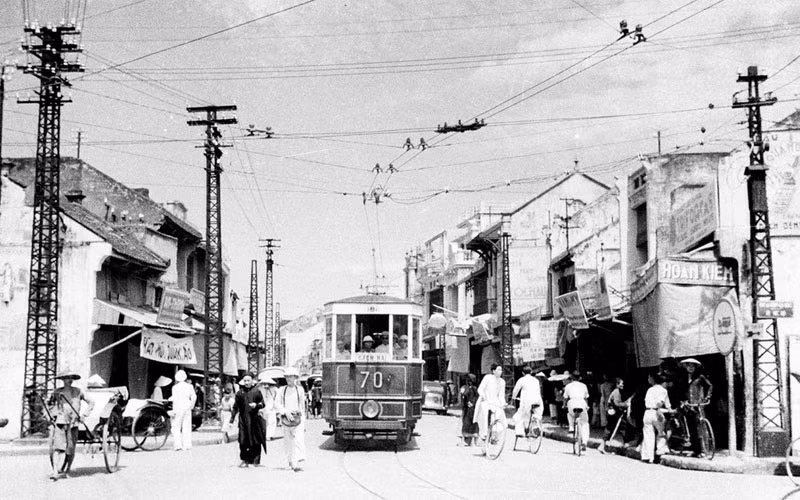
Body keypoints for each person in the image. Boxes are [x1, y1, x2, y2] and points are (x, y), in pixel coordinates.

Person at [48, 371, 95, 480]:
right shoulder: (57, 392)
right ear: (62, 380)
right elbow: (48, 404)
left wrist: (84, 414)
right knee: (58, 448)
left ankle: (67, 470)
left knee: (70, 448)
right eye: (66, 378)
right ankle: (55, 471)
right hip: (60, 422)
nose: (69, 380)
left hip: (73, 423)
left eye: (71, 378)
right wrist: (51, 414)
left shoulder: (78, 392)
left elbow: (91, 402)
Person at [679, 358, 714, 458]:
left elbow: (710, 386)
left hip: (698, 404)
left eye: (692, 366)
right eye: (688, 366)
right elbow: (682, 390)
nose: (690, 368)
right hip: (688, 406)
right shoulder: (684, 377)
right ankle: (695, 450)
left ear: (695, 367)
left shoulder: (700, 377)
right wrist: (683, 401)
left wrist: (707, 397)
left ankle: (704, 449)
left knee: (701, 428)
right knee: (692, 429)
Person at [230, 373, 267, 467]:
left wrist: (257, 405)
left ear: (252, 381)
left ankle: (255, 461)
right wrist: (231, 420)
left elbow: (263, 404)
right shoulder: (239, 393)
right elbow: (235, 407)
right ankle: (244, 459)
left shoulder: (257, 391)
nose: (246, 383)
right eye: (245, 381)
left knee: (255, 440)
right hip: (243, 420)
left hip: (254, 420)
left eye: (248, 380)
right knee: (242, 441)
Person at [275, 367, 307, 471]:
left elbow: (302, 406)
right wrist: (285, 411)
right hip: (286, 418)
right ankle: (289, 462)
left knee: (298, 440)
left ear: (295, 378)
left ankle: (296, 463)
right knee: (288, 441)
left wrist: (304, 420)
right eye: (287, 377)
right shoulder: (281, 390)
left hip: (297, 417)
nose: (289, 379)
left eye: (291, 377)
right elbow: (277, 404)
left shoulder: (300, 390)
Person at [474, 364, 507, 455]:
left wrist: (503, 403)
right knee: (484, 419)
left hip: (495, 402)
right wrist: (483, 396)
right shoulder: (487, 378)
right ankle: (484, 438)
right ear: (493, 371)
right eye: (498, 370)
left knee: (499, 418)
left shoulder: (502, 382)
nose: (500, 372)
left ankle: (494, 437)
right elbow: (480, 389)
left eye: (501, 370)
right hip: (485, 401)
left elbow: (501, 395)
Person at [641, 373, 671, 464]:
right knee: (661, 433)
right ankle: (659, 452)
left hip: (647, 412)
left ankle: (647, 457)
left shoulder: (650, 389)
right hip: (656, 412)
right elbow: (661, 403)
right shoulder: (663, 390)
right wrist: (660, 409)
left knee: (648, 435)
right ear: (663, 382)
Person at [512, 366, 543, 437]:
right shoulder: (536, 380)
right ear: (531, 372)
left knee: (519, 415)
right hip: (537, 400)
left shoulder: (522, 380)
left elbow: (515, 391)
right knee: (537, 413)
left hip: (527, 401)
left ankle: (520, 432)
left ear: (523, 373)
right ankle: (536, 423)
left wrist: (514, 397)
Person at [600, 377, 629, 454]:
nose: (623, 385)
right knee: (614, 428)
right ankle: (604, 445)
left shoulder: (617, 391)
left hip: (615, 412)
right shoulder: (616, 392)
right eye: (621, 383)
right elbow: (617, 403)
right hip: (614, 413)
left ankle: (604, 445)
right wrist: (626, 405)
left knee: (615, 428)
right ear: (617, 384)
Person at [169, 370, 196, 451]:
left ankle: (178, 445)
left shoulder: (175, 387)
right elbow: (194, 397)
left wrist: (173, 408)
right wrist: (191, 406)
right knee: (186, 426)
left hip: (178, 407)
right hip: (187, 406)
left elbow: (174, 398)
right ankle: (187, 445)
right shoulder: (190, 386)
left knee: (176, 426)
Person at [563, 371, 590, 451]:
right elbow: (586, 397)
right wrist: (587, 406)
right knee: (584, 423)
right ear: (580, 378)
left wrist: (564, 405)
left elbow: (565, 397)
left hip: (572, 403)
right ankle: (584, 442)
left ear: (572, 378)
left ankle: (571, 426)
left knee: (570, 414)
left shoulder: (568, 386)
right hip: (582, 403)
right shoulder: (584, 386)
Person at [460, 374, 479, 446]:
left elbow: (465, 395)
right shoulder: (475, 388)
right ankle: (471, 442)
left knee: (468, 424)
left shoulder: (470, 388)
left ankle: (471, 442)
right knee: (469, 423)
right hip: (470, 408)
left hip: (470, 409)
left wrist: (471, 403)